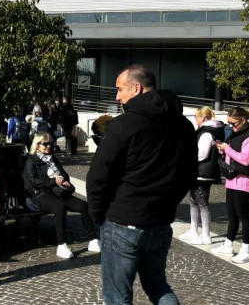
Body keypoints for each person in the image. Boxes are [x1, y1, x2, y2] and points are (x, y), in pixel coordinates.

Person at [86, 65, 196, 305]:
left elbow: (97, 177)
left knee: (117, 296)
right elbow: (189, 175)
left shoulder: (123, 125)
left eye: (119, 89)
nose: (117, 96)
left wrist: (99, 217)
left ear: (136, 88)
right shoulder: (185, 126)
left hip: (123, 222)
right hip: (160, 222)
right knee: (158, 285)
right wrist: (165, 204)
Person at [23, 132, 99, 258]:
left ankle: (93, 240)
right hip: (41, 194)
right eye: (45, 144)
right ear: (37, 145)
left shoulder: (53, 159)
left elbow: (64, 174)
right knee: (59, 207)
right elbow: (34, 182)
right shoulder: (31, 161)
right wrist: (53, 181)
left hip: (58, 191)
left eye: (50, 143)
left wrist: (64, 180)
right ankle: (62, 245)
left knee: (84, 206)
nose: (48, 146)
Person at [211, 107, 249, 263]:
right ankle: (228, 244)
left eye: (233, 123)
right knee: (232, 215)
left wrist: (228, 149)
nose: (231, 126)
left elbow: (246, 159)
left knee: (244, 216)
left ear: (243, 120)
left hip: (245, 180)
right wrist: (222, 150)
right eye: (228, 123)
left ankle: (246, 250)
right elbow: (232, 154)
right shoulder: (235, 134)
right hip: (232, 178)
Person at [181, 106, 224, 245]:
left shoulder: (207, 132)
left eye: (197, 117)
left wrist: (187, 158)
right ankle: (194, 230)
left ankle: (205, 235)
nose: (196, 119)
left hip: (203, 172)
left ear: (203, 118)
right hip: (201, 171)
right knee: (193, 200)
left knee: (202, 202)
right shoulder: (210, 130)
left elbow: (202, 153)